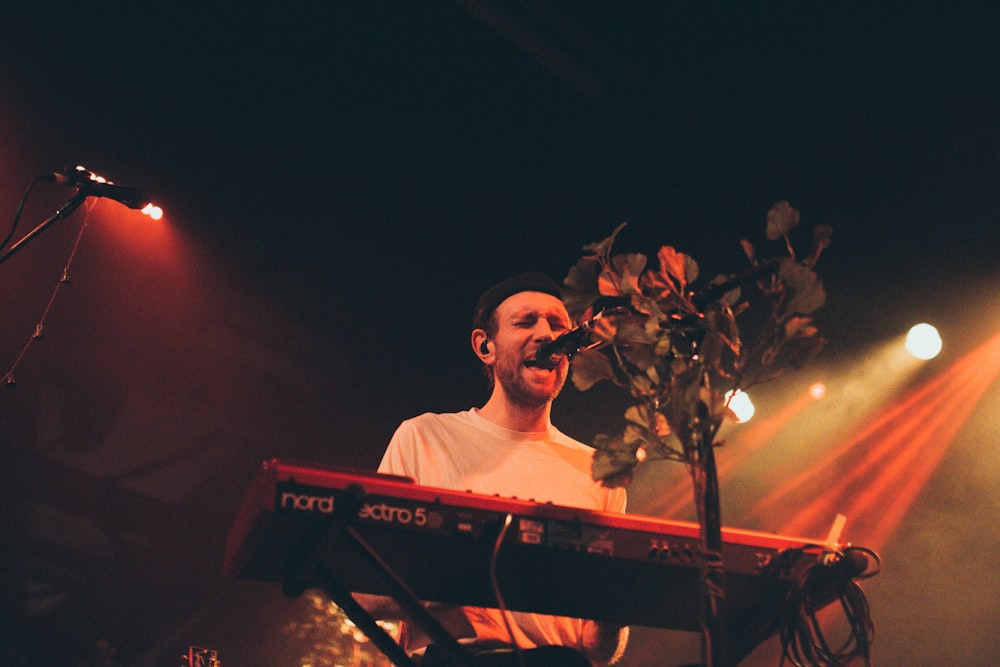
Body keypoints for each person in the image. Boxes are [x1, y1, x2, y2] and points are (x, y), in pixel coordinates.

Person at [374, 272, 629, 666]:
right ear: (484, 346)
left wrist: (614, 615)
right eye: (526, 322)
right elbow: (366, 593)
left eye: (558, 325)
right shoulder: (424, 437)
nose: (547, 334)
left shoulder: (598, 471)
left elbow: (597, 649)